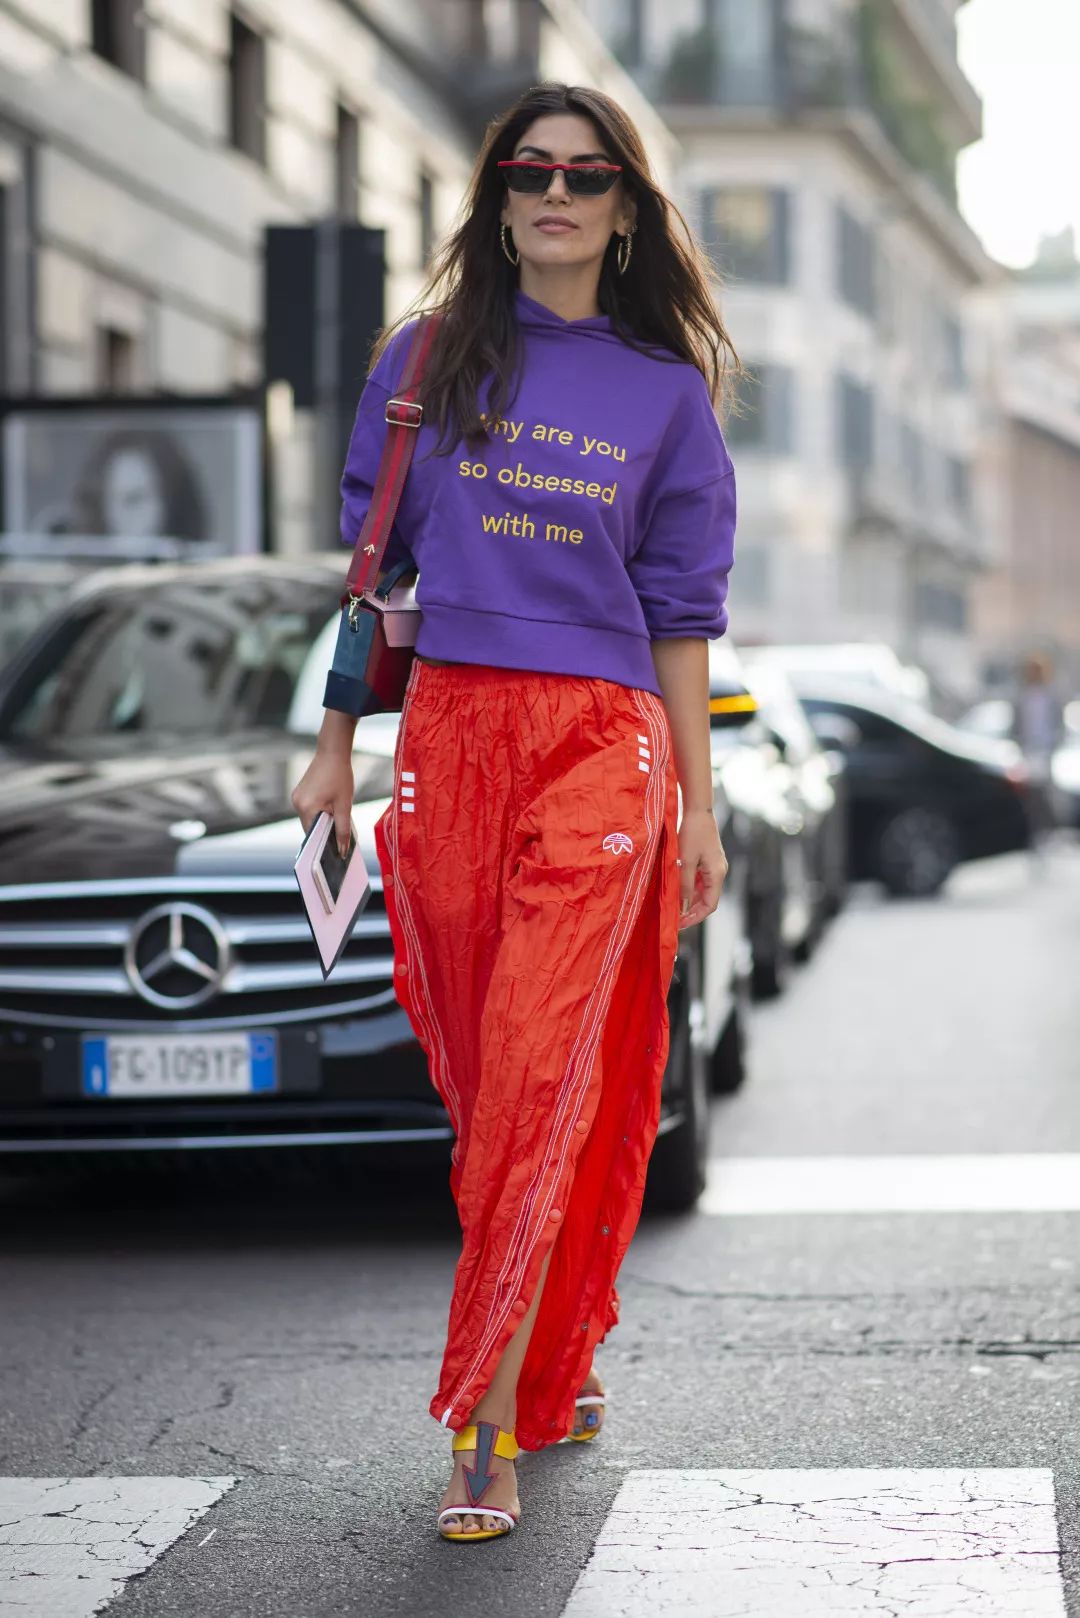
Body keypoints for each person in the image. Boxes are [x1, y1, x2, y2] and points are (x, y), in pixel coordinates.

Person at [291, 81, 739, 1543]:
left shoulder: (665, 392)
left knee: (550, 1061)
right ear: (493, 195)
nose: (556, 192)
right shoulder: (424, 361)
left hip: (604, 748)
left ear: (625, 209)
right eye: (528, 170)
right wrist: (333, 745)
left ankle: (484, 1416)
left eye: (588, 174)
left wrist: (704, 805)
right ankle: (559, 1344)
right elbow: (373, 572)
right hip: (455, 738)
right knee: (495, 1079)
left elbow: (682, 617)